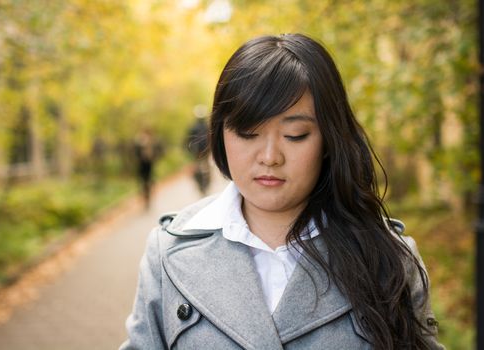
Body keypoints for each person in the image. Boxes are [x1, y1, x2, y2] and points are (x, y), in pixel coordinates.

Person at [119, 34, 444, 349]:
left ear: (329, 140)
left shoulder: (389, 259)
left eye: (295, 134)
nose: (270, 157)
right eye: (248, 133)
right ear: (220, 135)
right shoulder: (168, 251)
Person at [133, 128, 163, 209]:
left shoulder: (152, 142)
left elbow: (157, 151)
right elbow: (135, 153)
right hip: (142, 165)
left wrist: (154, 158)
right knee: (143, 181)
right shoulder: (139, 142)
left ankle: (147, 196)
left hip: (149, 165)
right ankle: (144, 195)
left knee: (148, 181)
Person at [186, 105, 211, 195]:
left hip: (199, 153)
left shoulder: (194, 127)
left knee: (202, 169)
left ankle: (203, 186)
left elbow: (187, 141)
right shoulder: (206, 126)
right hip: (201, 152)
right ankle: (203, 185)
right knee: (204, 169)